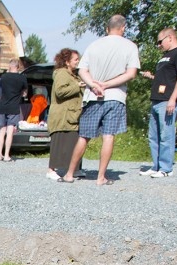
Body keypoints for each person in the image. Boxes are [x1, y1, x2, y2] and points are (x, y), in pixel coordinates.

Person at [61, 15, 140, 185]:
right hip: (115, 96)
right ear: (123, 28)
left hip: (92, 96)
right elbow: (131, 73)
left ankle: (69, 174)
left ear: (107, 28)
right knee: (108, 136)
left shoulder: (94, 45)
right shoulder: (130, 47)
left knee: (84, 136)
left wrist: (93, 84)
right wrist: (107, 84)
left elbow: (82, 70)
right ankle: (100, 177)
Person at [140, 28, 177, 177]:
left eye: (159, 42)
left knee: (166, 135)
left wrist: (173, 99)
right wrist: (151, 77)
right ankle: (156, 166)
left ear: (170, 38)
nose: (158, 45)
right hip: (156, 100)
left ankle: (166, 168)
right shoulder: (165, 57)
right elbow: (166, 79)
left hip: (168, 101)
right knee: (153, 136)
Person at [46, 49, 83, 180]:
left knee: (74, 141)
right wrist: (77, 86)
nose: (78, 61)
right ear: (67, 62)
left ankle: (74, 169)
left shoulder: (73, 75)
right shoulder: (61, 73)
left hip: (71, 115)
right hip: (61, 116)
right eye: (75, 59)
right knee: (59, 142)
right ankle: (51, 170)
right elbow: (60, 91)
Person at [0, 59, 27, 161]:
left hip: (2, 107)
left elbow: (2, 90)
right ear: (18, 67)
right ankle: (7, 155)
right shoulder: (22, 78)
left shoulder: (3, 77)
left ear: (10, 66)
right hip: (14, 107)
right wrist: (20, 94)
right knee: (9, 132)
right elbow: (25, 94)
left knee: (1, 131)